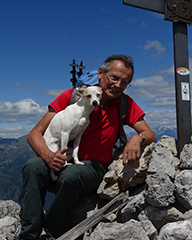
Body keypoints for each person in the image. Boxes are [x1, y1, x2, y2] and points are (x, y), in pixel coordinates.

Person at [18, 54, 156, 240]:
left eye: (124, 82)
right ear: (100, 73)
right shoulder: (71, 96)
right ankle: (28, 234)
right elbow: (35, 134)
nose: (118, 85)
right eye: (114, 77)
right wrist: (49, 156)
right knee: (33, 167)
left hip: (92, 168)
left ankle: (55, 233)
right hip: (60, 161)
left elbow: (149, 134)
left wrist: (136, 138)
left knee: (69, 176)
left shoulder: (124, 103)